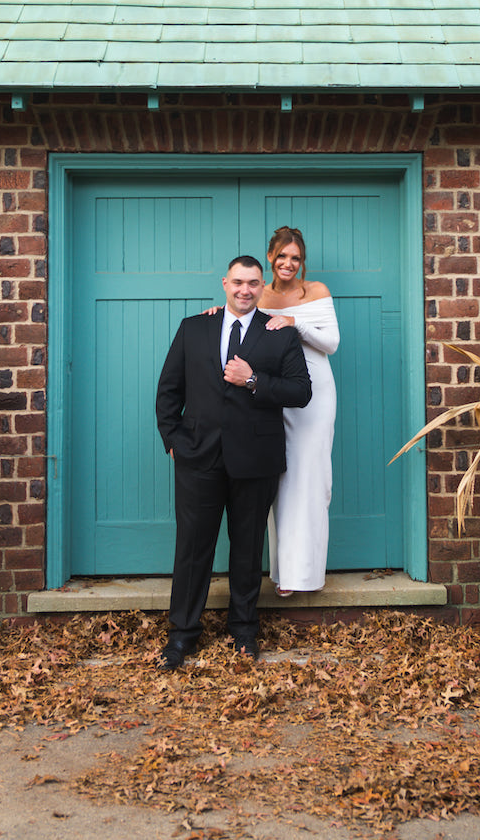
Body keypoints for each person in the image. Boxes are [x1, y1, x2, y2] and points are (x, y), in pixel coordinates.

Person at [155, 255, 311, 669]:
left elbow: (301, 391)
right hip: (197, 458)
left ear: (263, 287)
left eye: (254, 283)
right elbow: (169, 389)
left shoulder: (278, 333)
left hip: (255, 459)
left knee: (247, 549)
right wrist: (173, 439)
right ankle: (182, 635)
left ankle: (244, 631)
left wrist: (254, 380)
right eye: (238, 282)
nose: (245, 290)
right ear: (225, 283)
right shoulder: (195, 327)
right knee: (192, 549)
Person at [259, 226, 340, 597]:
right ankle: (284, 573)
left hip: (315, 395)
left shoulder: (316, 292)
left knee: (311, 479)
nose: (288, 263)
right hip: (277, 395)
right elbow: (239, 324)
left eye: (296, 258)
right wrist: (216, 313)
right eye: (282, 256)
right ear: (271, 257)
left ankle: (306, 575)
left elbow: (332, 343)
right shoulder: (260, 294)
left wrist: (296, 322)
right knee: (281, 480)